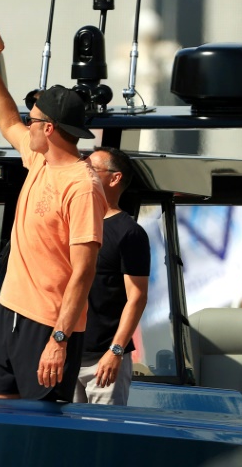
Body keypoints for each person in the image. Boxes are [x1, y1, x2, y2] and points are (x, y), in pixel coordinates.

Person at [0, 30, 107, 401]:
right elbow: (5, 120)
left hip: (47, 326)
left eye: (32, 120)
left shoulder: (82, 186)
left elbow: (83, 272)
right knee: (2, 429)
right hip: (9, 314)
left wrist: (59, 339)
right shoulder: (39, 159)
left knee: (41, 436)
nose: (26, 124)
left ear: (49, 129)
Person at [74, 146, 150, 405]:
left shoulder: (129, 233)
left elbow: (137, 297)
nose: (83, 174)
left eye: (91, 169)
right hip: (66, 353)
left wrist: (115, 351)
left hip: (103, 359)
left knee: (101, 438)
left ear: (115, 178)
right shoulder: (73, 222)